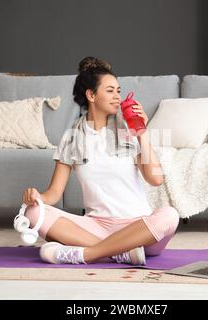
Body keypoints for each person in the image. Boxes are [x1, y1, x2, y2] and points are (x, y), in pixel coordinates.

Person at [22, 56, 179, 265]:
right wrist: (36, 197)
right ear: (91, 95)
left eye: (119, 91)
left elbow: (155, 179)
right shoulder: (72, 137)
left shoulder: (127, 131)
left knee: (169, 216)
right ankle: (120, 253)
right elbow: (54, 193)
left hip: (139, 228)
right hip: (96, 226)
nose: (117, 97)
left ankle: (87, 254)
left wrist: (141, 132)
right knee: (32, 212)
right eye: (110, 91)